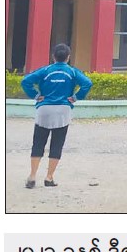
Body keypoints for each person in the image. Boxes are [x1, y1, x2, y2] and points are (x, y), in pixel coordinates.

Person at [21, 44, 93, 189]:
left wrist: (35, 95)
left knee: (38, 143)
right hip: (63, 110)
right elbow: (87, 83)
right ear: (68, 57)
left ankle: (32, 176)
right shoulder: (72, 71)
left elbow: (25, 81)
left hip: (44, 109)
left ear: (53, 56)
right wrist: (76, 97)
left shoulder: (45, 70)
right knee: (57, 144)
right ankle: (49, 177)